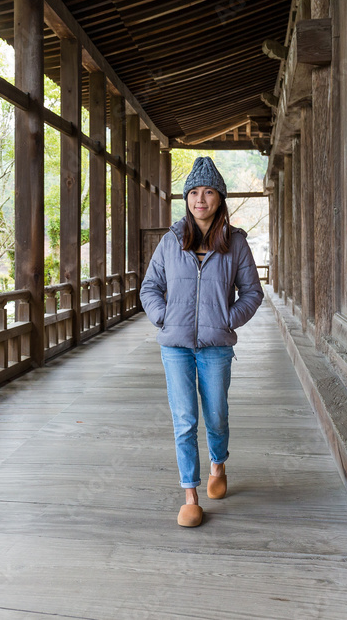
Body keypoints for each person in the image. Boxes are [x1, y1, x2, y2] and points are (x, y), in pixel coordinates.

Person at [140, 156, 264, 527]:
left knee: (216, 415)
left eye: (208, 192)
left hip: (216, 345)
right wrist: (164, 316)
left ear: (220, 198)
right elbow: (150, 288)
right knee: (184, 420)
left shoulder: (235, 243)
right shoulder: (170, 241)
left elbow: (252, 293)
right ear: (187, 198)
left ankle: (218, 464)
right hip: (175, 345)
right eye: (194, 192)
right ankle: (190, 495)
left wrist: (228, 319)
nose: (200, 199)